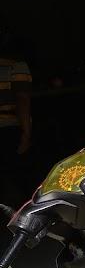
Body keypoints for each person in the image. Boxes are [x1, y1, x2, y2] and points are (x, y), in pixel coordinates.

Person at [0, 27, 32, 211]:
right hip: (9, 129)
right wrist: (26, 133)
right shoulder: (17, 67)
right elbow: (22, 100)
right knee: (18, 178)